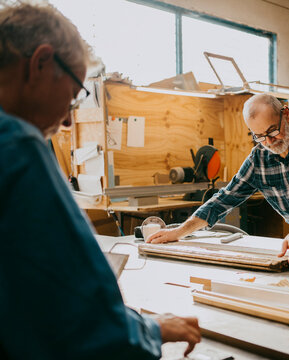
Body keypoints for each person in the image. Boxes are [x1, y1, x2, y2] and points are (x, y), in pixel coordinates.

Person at [0, 3, 200, 359]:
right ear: (42, 63)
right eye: (75, 95)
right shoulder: (15, 142)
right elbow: (86, 317)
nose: (67, 121)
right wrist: (151, 328)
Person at [148, 93, 289, 269]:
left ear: (286, 114)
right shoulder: (258, 159)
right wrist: (179, 232)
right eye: (259, 136)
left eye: (273, 131)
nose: (269, 142)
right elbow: (223, 199)